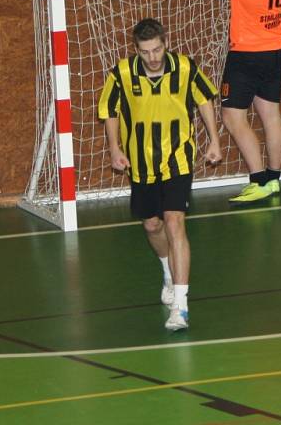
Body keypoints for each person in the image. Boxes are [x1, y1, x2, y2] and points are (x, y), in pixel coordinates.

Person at [98, 18, 222, 331]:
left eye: (157, 49)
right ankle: (167, 270)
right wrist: (114, 148)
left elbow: (203, 99)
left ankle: (180, 306)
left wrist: (214, 140)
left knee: (174, 220)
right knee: (152, 226)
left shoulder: (185, 68)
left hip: (178, 157)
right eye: (146, 52)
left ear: (165, 43)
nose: (153, 57)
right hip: (141, 163)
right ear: (135, 50)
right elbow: (110, 112)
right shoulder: (121, 74)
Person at [200, 0, 281, 203]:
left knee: (232, 116)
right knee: (270, 114)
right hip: (277, 49)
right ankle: (273, 178)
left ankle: (257, 181)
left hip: (246, 54)